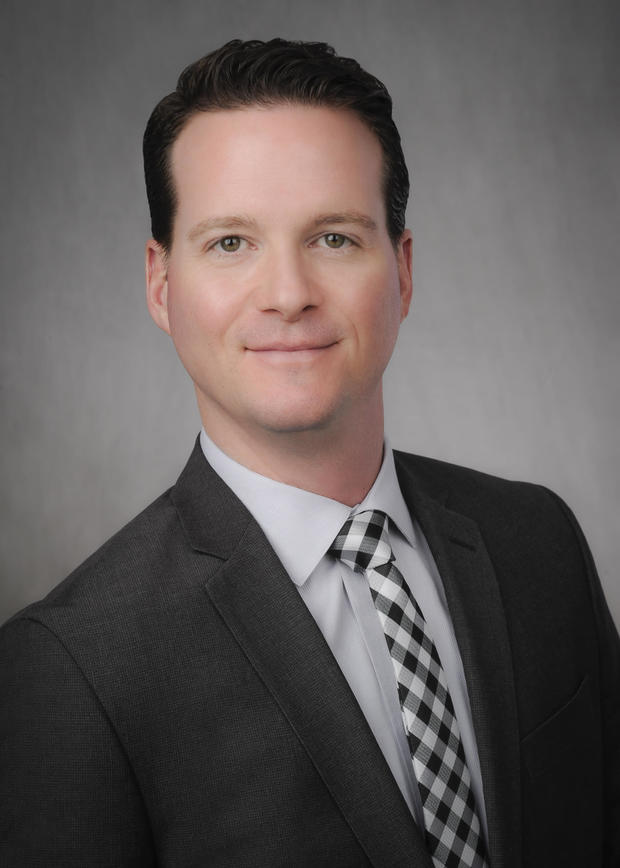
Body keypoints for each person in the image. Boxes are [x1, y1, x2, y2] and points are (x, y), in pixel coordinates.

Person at [1, 38, 618, 868]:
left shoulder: (538, 541)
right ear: (161, 285)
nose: (289, 295)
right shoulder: (73, 669)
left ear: (402, 270)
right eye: (231, 243)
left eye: (334, 238)